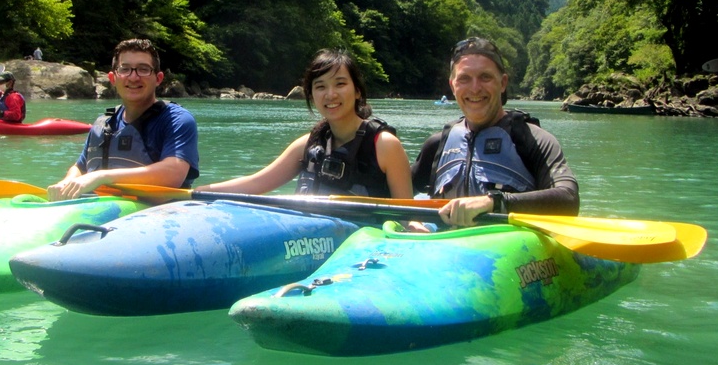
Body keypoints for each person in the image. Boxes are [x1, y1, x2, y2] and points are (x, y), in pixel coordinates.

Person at [411, 36, 579, 227]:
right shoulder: (437, 144)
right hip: (445, 250)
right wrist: (411, 222)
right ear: (453, 86)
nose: (475, 88)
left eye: (485, 77)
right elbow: (394, 191)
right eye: (464, 78)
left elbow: (569, 199)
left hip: (512, 251)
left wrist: (494, 202)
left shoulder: (532, 140)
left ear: (503, 83)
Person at [202, 49, 413, 198]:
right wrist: (196, 193)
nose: (330, 94)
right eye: (320, 87)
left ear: (357, 91)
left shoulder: (385, 145)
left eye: (340, 84)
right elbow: (256, 183)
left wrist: (414, 226)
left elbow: (408, 215)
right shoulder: (308, 145)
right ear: (311, 95)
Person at [47, 38, 199, 200]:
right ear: (113, 78)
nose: (133, 78)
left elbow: (173, 173)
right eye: (125, 69)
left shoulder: (177, 120)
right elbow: (81, 167)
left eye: (143, 69)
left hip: (155, 216)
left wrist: (102, 176)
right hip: (97, 211)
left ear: (158, 79)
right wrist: (67, 182)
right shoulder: (102, 123)